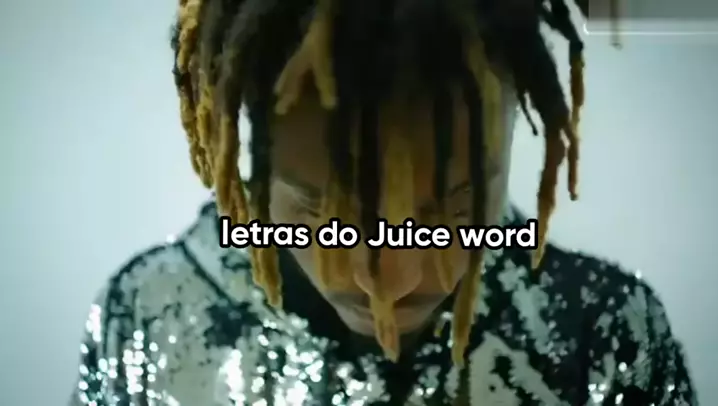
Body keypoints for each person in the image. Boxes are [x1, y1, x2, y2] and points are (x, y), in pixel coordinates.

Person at [69, 0, 697, 404]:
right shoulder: (149, 316)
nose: (391, 283)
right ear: (253, 160)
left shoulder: (605, 335)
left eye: (454, 212)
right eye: (323, 215)